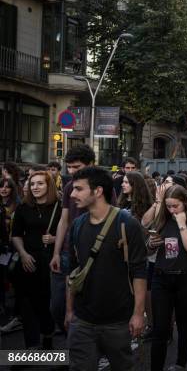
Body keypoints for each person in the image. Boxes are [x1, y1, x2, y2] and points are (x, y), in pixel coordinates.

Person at [66, 166, 147, 369]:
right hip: (82, 320)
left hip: (118, 321)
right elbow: (73, 272)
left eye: (78, 189)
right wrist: (69, 311)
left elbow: (139, 272)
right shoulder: (77, 225)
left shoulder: (127, 223)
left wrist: (138, 314)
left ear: (98, 191)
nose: (73, 194)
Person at [148, 185, 187, 371]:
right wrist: (151, 244)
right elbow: (148, 249)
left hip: (186, 279)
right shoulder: (162, 219)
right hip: (161, 277)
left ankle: (180, 364)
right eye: (168, 206)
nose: (171, 210)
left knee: (184, 323)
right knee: (160, 328)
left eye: (175, 206)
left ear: (184, 203)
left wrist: (182, 223)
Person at [49, 144, 97, 332]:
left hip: (92, 252)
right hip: (68, 252)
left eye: (76, 167)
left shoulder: (102, 185)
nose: (71, 171)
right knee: (57, 306)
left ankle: (79, 350)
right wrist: (56, 253)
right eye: (69, 167)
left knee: (86, 305)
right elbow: (63, 220)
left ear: (90, 164)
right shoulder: (69, 186)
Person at [11, 171, 60, 349]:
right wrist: (23, 254)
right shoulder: (23, 207)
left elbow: (70, 231)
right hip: (28, 260)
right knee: (26, 304)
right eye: (32, 184)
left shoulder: (59, 206)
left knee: (46, 302)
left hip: (50, 261)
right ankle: (31, 347)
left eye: (40, 184)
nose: (35, 187)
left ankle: (48, 335)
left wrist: (55, 239)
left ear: (49, 186)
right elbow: (16, 235)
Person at [0, 177, 22, 333]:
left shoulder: (17, 205)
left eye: (7, 187)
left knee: (8, 274)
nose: (4, 189)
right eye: (1, 186)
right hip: (2, 245)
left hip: (12, 247)